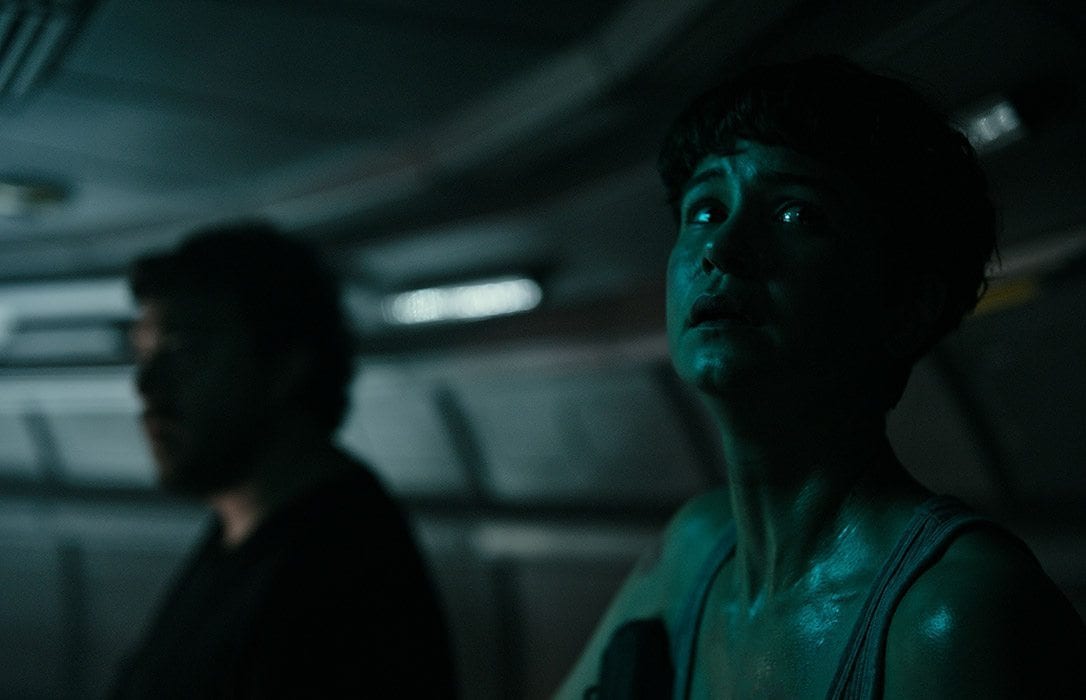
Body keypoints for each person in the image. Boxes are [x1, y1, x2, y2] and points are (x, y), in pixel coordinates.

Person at [557, 56, 1085, 698]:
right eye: (706, 210)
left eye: (796, 215)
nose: (721, 248)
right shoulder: (693, 552)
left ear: (906, 307)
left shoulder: (952, 614)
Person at [111, 222, 456, 698]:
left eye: (182, 350)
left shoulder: (344, 574)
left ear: (283, 366)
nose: (145, 385)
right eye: (142, 353)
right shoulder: (239, 535)